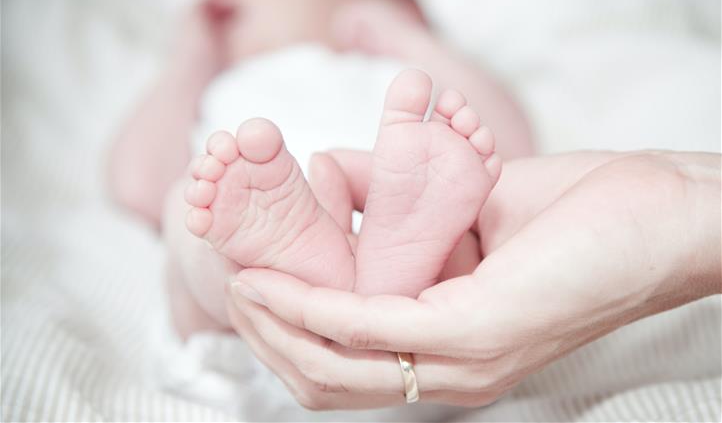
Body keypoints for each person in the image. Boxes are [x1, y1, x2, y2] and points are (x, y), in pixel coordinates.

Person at [109, 0, 534, 338]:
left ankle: (382, 268)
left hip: (433, 338)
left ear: (387, 7)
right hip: (251, 340)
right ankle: (316, 269)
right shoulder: (217, 85)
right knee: (190, 209)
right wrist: (192, 56)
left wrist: (409, 38)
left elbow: (511, 153)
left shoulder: (400, 72)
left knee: (471, 215)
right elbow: (138, 187)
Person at [225, 148, 721, 410]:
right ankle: (361, 272)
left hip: (307, 195)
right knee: (212, 230)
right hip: (304, 194)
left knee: (210, 242)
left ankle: (333, 275)